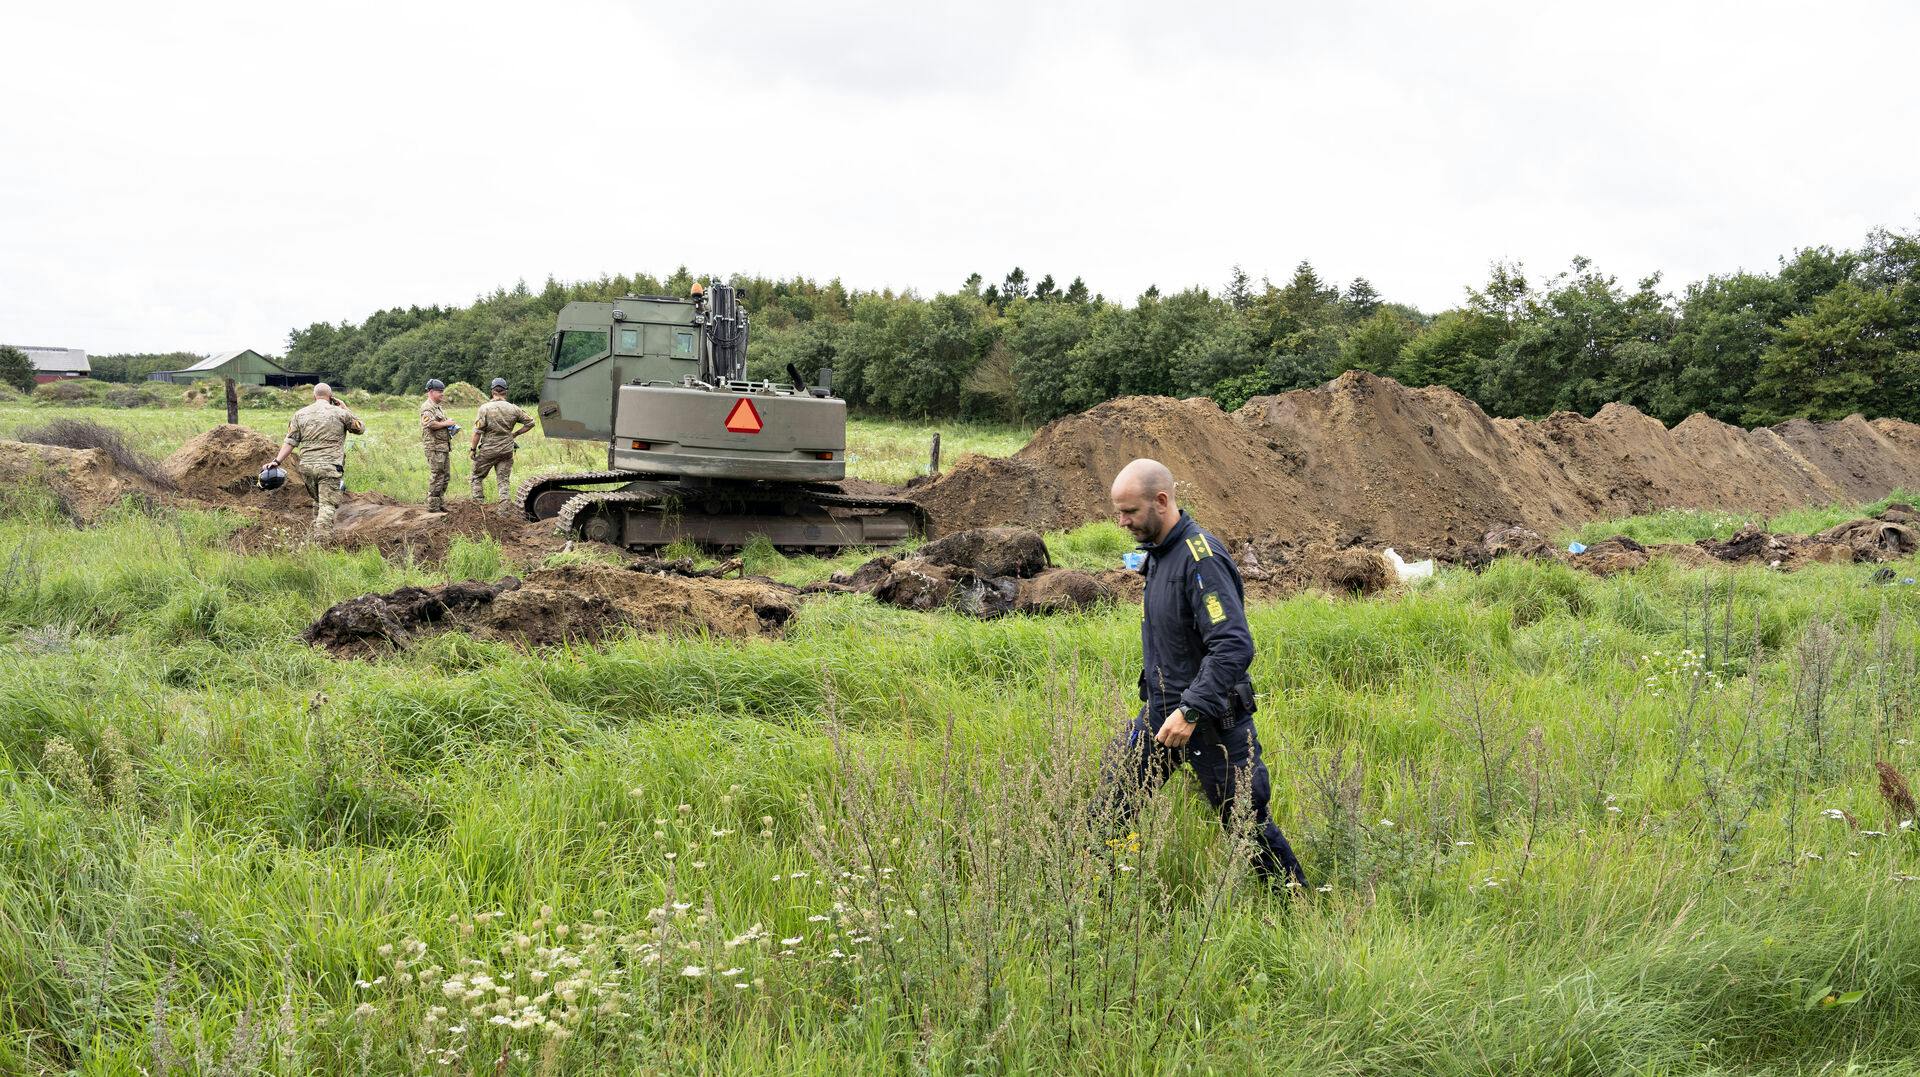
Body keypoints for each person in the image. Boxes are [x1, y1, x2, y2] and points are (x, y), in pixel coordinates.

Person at [1098, 458, 1307, 888]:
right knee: (1114, 804)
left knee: (1246, 826)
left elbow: (1232, 645)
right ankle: (1098, 890)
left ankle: (1298, 906)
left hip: (1209, 724)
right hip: (1161, 717)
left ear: (1161, 501)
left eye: (1130, 512)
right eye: (1118, 512)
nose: (1121, 522)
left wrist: (1190, 710)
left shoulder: (1201, 559)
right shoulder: (1160, 554)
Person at [267, 383, 364, 539]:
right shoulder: (340, 413)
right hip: (330, 466)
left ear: (314, 396)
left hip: (307, 467)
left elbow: (290, 442)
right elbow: (360, 428)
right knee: (328, 504)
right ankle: (322, 539)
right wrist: (345, 408)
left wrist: (276, 461)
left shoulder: (300, 414)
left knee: (319, 500)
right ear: (331, 397)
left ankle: (316, 532)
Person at [469, 377, 535, 512]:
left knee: (477, 477)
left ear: (492, 391)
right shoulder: (513, 409)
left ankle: (478, 508)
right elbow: (531, 423)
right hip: (506, 450)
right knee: (503, 480)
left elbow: (477, 432)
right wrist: (515, 434)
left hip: (488, 450)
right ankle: (504, 511)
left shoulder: (485, 409)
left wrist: (472, 449)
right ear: (506, 391)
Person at [419, 379, 459, 513]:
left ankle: (440, 503)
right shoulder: (427, 407)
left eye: (443, 391)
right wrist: (446, 423)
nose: (442, 394)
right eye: (440, 391)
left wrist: (450, 426)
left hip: (443, 447)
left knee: (445, 476)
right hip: (434, 447)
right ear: (431, 392)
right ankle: (432, 506)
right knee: (437, 475)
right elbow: (430, 424)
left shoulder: (437, 407)